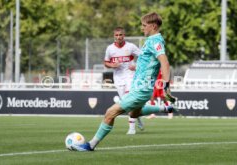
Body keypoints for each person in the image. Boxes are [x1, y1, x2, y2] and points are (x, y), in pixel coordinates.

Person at [71, 12, 177, 151]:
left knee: (110, 113)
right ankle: (165, 108)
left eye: (144, 25)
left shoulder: (155, 41)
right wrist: (138, 66)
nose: (142, 28)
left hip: (141, 89)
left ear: (153, 26)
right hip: (140, 88)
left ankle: (90, 145)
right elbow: (151, 62)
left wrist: (166, 85)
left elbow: (165, 62)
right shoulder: (152, 40)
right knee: (134, 113)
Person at [104, 27, 144, 135]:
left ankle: (131, 128)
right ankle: (138, 116)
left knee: (129, 98)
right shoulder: (110, 49)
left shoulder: (130, 46)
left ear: (123, 35)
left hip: (130, 76)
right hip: (118, 78)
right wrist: (112, 65)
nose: (118, 37)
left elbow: (143, 57)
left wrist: (136, 66)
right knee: (127, 104)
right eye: (116, 35)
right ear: (114, 36)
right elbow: (106, 63)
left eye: (120, 35)